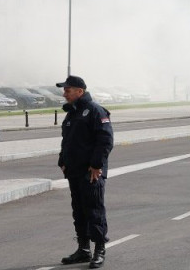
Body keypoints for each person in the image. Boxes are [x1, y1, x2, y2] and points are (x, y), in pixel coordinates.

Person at [57, 75, 114, 269]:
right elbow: (67, 141)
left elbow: (105, 140)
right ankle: (83, 249)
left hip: (91, 172)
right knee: (79, 211)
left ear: (79, 91)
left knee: (94, 211)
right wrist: (62, 161)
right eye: (64, 90)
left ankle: (99, 250)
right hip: (74, 171)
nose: (64, 93)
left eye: (68, 90)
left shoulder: (95, 111)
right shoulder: (72, 113)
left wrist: (97, 165)